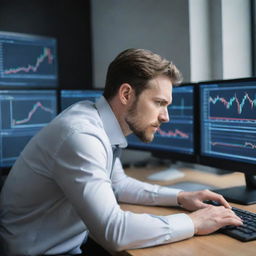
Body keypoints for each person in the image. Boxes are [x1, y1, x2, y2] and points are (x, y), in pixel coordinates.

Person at [0, 48, 242, 256]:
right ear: (126, 94)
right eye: (159, 103)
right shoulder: (81, 136)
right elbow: (114, 232)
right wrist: (193, 222)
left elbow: (118, 185)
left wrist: (180, 197)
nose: (165, 117)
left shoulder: (96, 122)